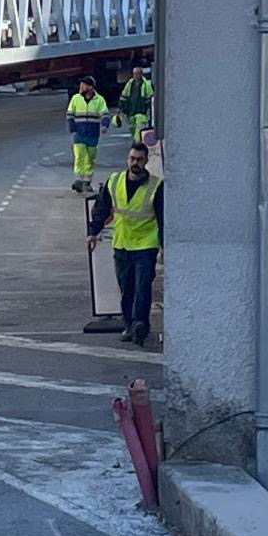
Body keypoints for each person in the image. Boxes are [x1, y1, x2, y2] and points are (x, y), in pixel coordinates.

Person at [87, 140, 163, 345]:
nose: (135, 162)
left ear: (146, 160)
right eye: (132, 158)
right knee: (126, 288)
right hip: (121, 244)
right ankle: (129, 325)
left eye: (139, 159)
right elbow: (102, 209)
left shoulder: (156, 186)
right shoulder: (114, 181)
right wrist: (93, 232)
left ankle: (140, 324)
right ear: (127, 159)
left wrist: (165, 246)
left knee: (142, 286)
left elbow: (163, 218)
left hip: (146, 245)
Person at [66, 75, 109, 193]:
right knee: (79, 155)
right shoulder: (76, 98)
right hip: (79, 133)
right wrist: (72, 129)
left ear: (90, 87)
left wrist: (105, 125)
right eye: (81, 85)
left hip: (92, 134)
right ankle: (78, 180)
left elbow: (105, 114)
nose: (81, 87)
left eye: (84, 85)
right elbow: (70, 115)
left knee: (90, 158)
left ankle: (87, 181)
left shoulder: (99, 100)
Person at [119, 66, 155, 145]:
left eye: (137, 74)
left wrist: (149, 110)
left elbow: (150, 98)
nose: (135, 75)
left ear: (141, 74)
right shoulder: (130, 83)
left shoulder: (146, 84)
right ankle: (137, 140)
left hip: (141, 111)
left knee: (139, 128)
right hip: (130, 111)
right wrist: (120, 107)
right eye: (134, 74)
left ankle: (137, 144)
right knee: (132, 127)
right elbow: (124, 95)